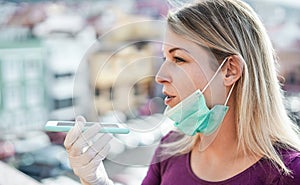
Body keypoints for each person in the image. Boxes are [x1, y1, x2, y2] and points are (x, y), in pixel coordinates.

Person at [64, 0, 300, 184]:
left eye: (179, 58)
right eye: (165, 58)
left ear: (229, 70)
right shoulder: (170, 149)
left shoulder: (289, 174)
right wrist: (96, 180)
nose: (160, 76)